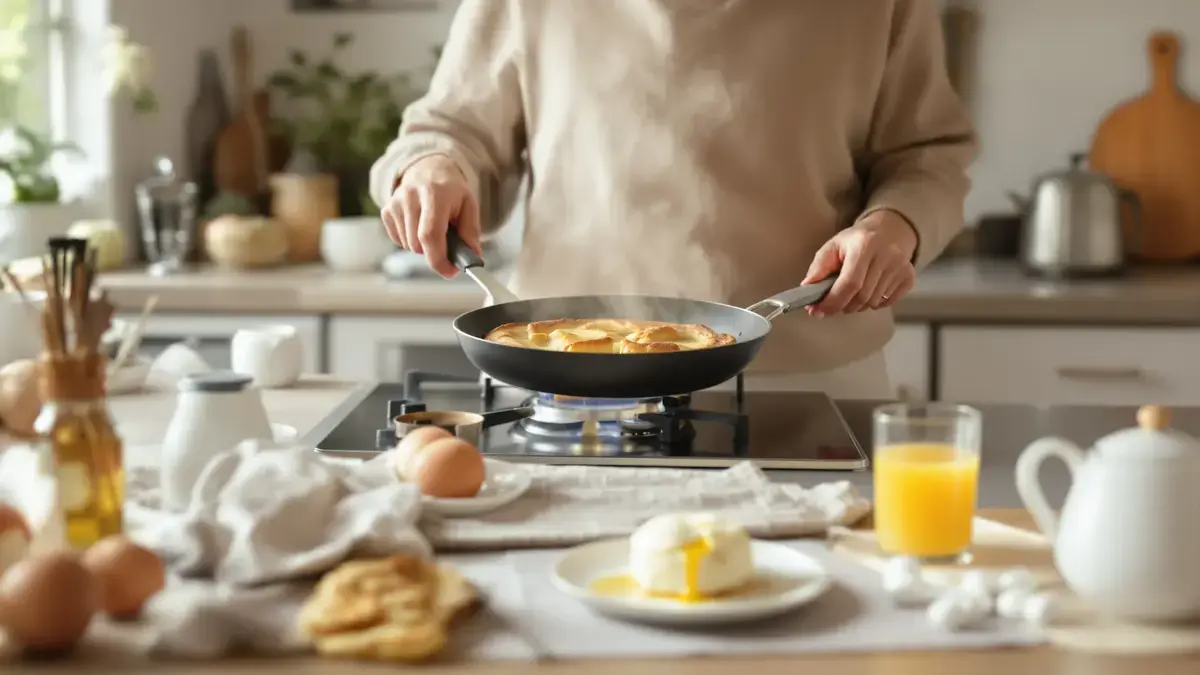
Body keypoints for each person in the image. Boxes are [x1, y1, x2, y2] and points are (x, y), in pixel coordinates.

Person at [370, 0, 975, 399]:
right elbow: (450, 132)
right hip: (562, 372)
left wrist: (895, 225)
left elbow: (927, 155)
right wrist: (431, 167)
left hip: (809, 372)